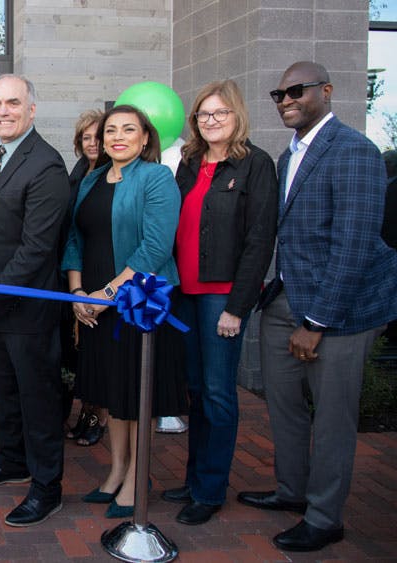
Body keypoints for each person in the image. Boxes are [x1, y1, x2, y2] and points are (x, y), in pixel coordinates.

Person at [237, 61, 397, 552]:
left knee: (331, 419)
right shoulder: (290, 157)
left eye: (296, 91)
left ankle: (325, 518)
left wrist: (318, 321)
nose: (286, 100)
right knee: (283, 407)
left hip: (339, 314)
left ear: (326, 91)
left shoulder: (354, 152)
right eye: (278, 93)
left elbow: (354, 244)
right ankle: (293, 493)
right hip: (286, 299)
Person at [0, 75, 70, 527]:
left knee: (37, 398)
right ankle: (12, 461)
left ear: (32, 110)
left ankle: (47, 487)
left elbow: (36, 250)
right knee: (4, 392)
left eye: (13, 103)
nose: (3, 111)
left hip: (23, 307)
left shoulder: (47, 166)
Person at [160, 80, 278, 525]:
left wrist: (237, 307)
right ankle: (194, 480)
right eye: (203, 115)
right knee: (194, 391)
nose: (210, 121)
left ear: (237, 117)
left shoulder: (255, 165)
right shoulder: (188, 163)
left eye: (220, 114)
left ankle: (210, 491)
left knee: (217, 392)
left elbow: (260, 241)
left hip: (221, 297)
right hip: (184, 295)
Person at [61, 104, 185, 520]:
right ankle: (116, 472)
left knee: (136, 393)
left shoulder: (156, 177)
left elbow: (155, 246)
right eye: (110, 129)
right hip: (95, 301)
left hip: (137, 301)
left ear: (146, 137)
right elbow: (75, 238)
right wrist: (78, 291)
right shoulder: (93, 178)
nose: (117, 136)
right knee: (113, 395)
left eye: (128, 129)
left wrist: (107, 292)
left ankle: (137, 477)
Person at [64, 109, 106, 448]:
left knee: (100, 347)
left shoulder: (112, 173)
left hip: (104, 272)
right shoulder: (79, 172)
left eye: (98, 136)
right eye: (86, 138)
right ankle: (86, 413)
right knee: (84, 353)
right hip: (77, 269)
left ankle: (99, 417)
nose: (92, 143)